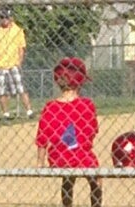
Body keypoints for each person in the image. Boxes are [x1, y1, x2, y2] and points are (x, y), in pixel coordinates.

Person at [35, 57, 102, 207]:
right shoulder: (86, 105)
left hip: (58, 156)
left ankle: (67, 204)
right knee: (96, 179)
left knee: (68, 180)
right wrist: (75, 141)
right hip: (82, 155)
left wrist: (40, 162)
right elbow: (92, 131)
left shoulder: (51, 106)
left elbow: (42, 137)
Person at [0, 6, 33, 120]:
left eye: (6, 17)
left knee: (21, 88)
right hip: (0, 65)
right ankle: (6, 114)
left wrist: (19, 62)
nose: (4, 20)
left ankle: (29, 111)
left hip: (13, 64)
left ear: (11, 18)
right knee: (2, 91)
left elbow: (21, 48)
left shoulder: (17, 30)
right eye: (2, 17)